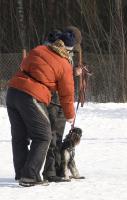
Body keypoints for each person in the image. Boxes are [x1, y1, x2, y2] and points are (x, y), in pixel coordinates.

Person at [6, 29, 77, 186]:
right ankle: (30, 176)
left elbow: (25, 65)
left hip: (12, 92)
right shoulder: (64, 64)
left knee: (20, 137)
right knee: (44, 136)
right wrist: (70, 115)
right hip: (31, 96)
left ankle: (22, 173)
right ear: (68, 50)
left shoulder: (39, 49)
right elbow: (67, 94)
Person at [42, 26, 83, 182]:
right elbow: (56, 72)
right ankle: (50, 172)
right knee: (52, 136)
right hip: (53, 98)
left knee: (58, 136)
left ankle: (59, 169)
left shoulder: (62, 50)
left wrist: (74, 72)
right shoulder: (55, 49)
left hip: (58, 99)